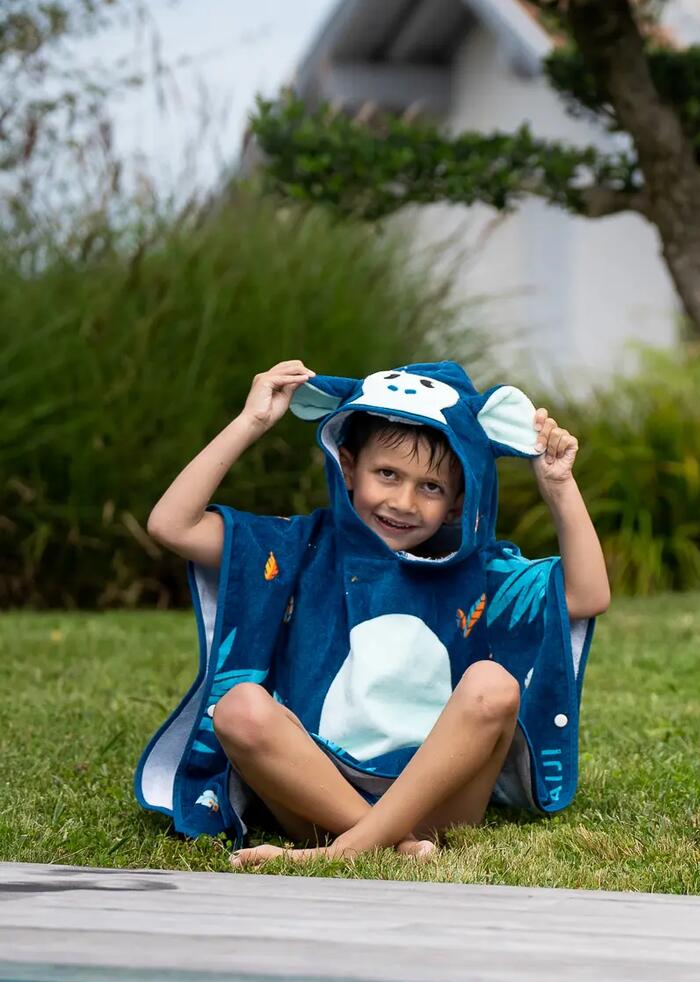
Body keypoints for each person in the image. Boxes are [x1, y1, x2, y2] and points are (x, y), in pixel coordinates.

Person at [137, 360, 607, 866]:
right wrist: (251, 421)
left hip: (440, 799)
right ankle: (389, 845)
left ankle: (342, 853)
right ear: (347, 468)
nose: (403, 501)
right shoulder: (301, 545)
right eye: (387, 474)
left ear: (456, 504)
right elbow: (171, 525)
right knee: (239, 707)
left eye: (431, 487)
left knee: (494, 684)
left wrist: (559, 486)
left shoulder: (481, 569)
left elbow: (587, 596)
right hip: (317, 790)